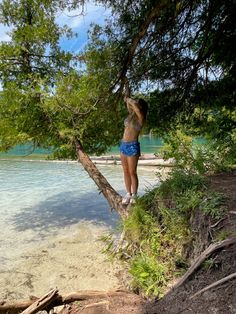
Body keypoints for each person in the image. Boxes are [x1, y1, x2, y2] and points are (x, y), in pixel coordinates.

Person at [120, 96, 148, 205]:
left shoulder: (141, 117)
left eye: (138, 103)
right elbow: (130, 106)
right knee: (125, 171)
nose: (135, 104)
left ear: (141, 107)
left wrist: (129, 100)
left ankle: (135, 195)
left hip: (132, 146)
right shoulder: (131, 115)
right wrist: (126, 97)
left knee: (132, 172)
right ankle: (128, 193)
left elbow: (135, 107)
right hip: (123, 145)